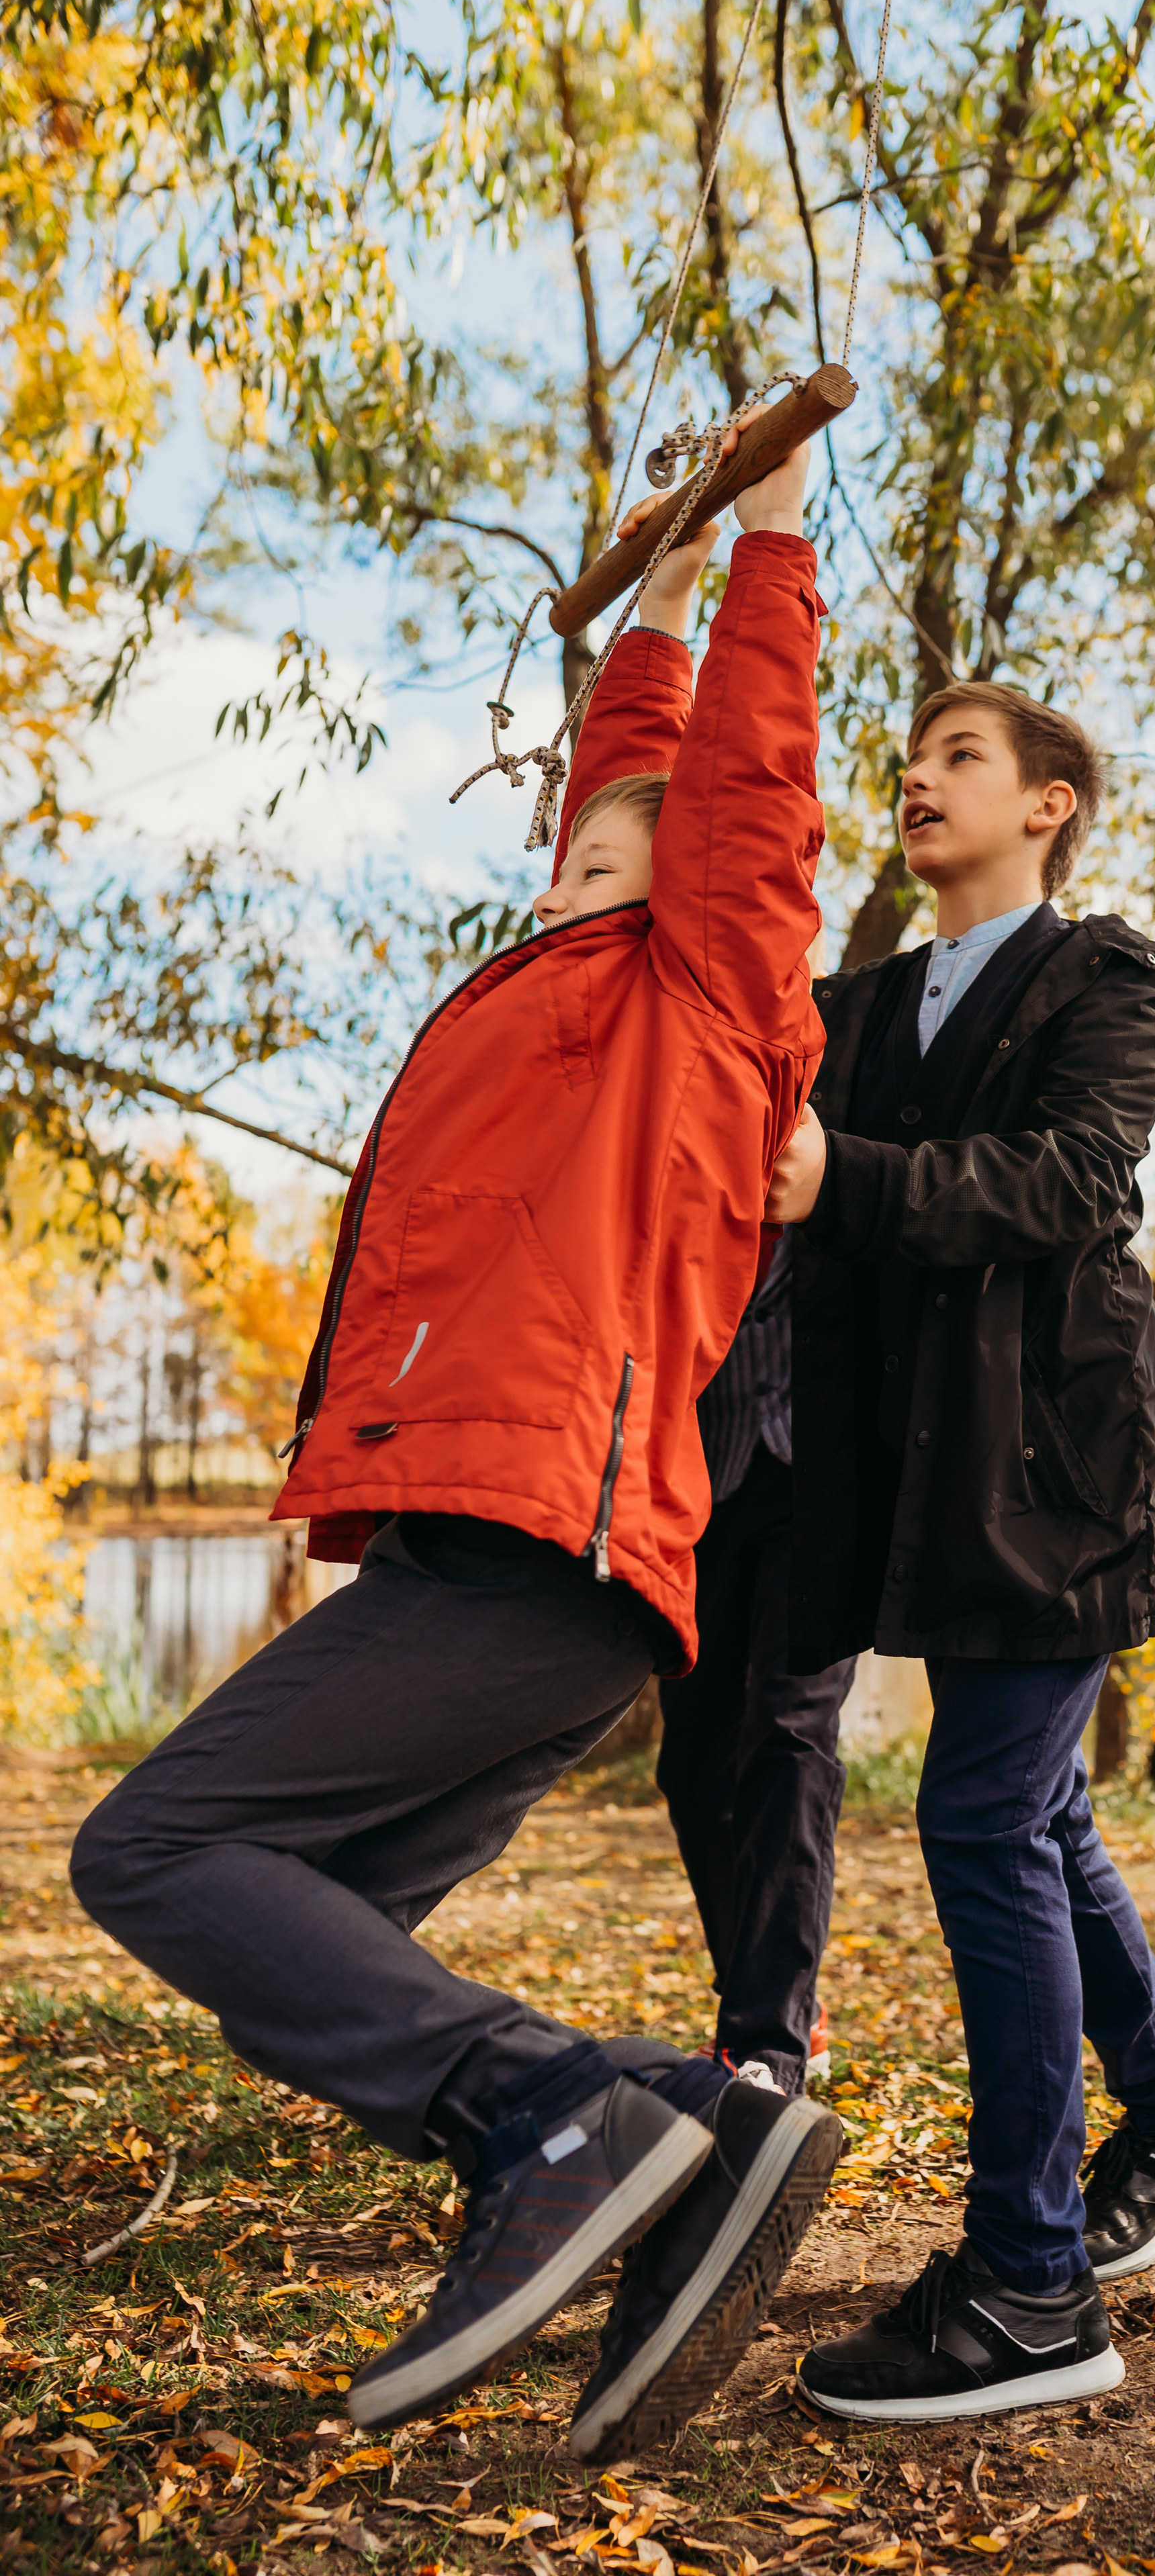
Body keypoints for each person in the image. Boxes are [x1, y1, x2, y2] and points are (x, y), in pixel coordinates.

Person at [68, 423, 843, 2466]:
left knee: (150, 1848)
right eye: (582, 844)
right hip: (493, 1564)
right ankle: (689, 2120)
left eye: (617, 850)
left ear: (692, 888)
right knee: (289, 1940)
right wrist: (657, 601)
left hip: (543, 1543)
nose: (575, 862)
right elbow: (633, 776)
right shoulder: (573, 970)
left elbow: (742, 800)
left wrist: (769, 547)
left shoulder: (702, 986)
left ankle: (553, 2115)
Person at [766, 681, 1155, 2424]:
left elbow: (1071, 1182)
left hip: (1058, 1459)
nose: (916, 774)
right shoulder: (854, 1007)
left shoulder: (1108, 975)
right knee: (1035, 1806)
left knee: (982, 1814)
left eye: (960, 756)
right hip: (913, 1476)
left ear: (1049, 806)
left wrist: (848, 1184)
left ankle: (1035, 2283)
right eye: (913, 755)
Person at [656, 1222, 857, 2097]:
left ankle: (767, 2039)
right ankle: (767, 1995)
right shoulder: (691, 1125)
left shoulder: (857, 1108)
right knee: (692, 1764)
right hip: (706, 1478)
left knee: (790, 1730)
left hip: (826, 1480)